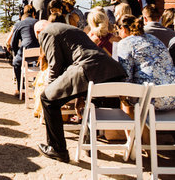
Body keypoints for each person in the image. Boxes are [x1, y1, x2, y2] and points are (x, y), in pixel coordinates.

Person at [37, 22, 126, 162]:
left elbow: (55, 66)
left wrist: (50, 90)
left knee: (47, 99)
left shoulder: (46, 33)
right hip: (111, 69)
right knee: (92, 102)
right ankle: (88, 143)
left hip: (87, 68)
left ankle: (57, 149)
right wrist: (80, 97)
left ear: (38, 33)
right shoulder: (70, 29)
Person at [116, 14, 175, 110]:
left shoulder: (125, 42)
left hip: (150, 97)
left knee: (125, 99)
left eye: (118, 31)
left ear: (122, 28)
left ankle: (134, 124)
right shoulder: (153, 38)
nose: (118, 35)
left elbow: (126, 75)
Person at [10, 5, 39, 96]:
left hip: (25, 51)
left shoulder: (19, 24)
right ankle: (36, 87)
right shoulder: (38, 22)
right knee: (37, 64)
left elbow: (13, 43)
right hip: (39, 52)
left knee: (16, 64)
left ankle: (20, 88)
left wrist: (16, 53)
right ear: (33, 14)